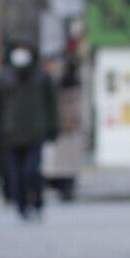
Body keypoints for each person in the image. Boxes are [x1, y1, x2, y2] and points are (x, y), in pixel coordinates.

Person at [0, 39, 58, 221]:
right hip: (10, 135)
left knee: (30, 171)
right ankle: (21, 206)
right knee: (15, 175)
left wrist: (53, 128)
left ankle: (37, 201)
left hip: (35, 133)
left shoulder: (41, 76)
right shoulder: (5, 76)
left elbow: (51, 104)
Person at [42, 57, 84, 201]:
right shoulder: (73, 88)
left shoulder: (56, 87)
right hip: (66, 130)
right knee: (65, 163)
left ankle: (62, 187)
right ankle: (65, 187)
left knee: (60, 162)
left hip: (63, 130)